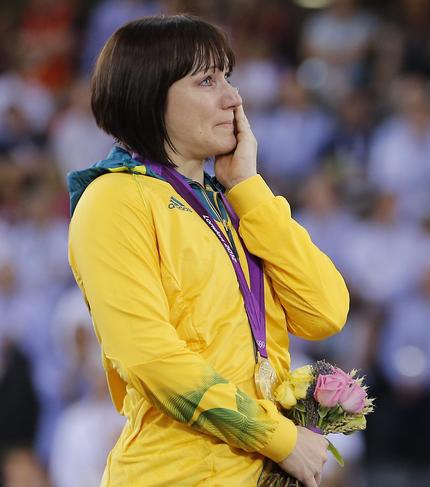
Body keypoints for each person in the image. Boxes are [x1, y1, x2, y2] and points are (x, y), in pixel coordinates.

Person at [66, 15, 349, 487]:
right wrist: (279, 438)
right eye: (207, 80)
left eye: (228, 77)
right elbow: (148, 358)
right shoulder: (113, 201)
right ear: (151, 95)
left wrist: (248, 187)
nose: (233, 98)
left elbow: (326, 311)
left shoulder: (229, 206)